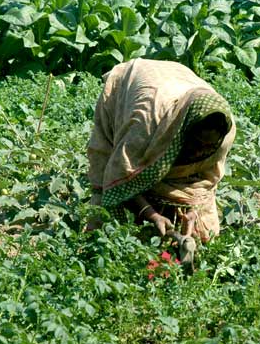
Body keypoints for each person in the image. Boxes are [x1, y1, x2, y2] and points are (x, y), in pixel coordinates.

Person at [87, 58, 235, 242]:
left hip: (178, 79)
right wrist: (151, 214)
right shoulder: (145, 124)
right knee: (109, 202)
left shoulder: (224, 134)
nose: (200, 152)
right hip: (137, 85)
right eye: (196, 143)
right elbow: (121, 175)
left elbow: (203, 181)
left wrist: (192, 211)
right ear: (183, 130)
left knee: (204, 228)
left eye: (208, 147)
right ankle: (99, 242)